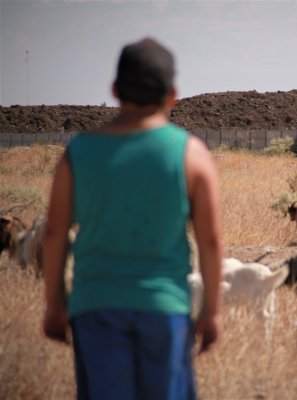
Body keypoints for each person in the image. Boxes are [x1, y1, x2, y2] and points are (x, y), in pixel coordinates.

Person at [42, 37, 223, 399]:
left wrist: (55, 304)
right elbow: (210, 241)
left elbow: (54, 233)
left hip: (95, 308)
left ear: (114, 90)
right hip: (165, 311)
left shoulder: (77, 153)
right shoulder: (192, 155)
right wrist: (211, 312)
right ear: (173, 94)